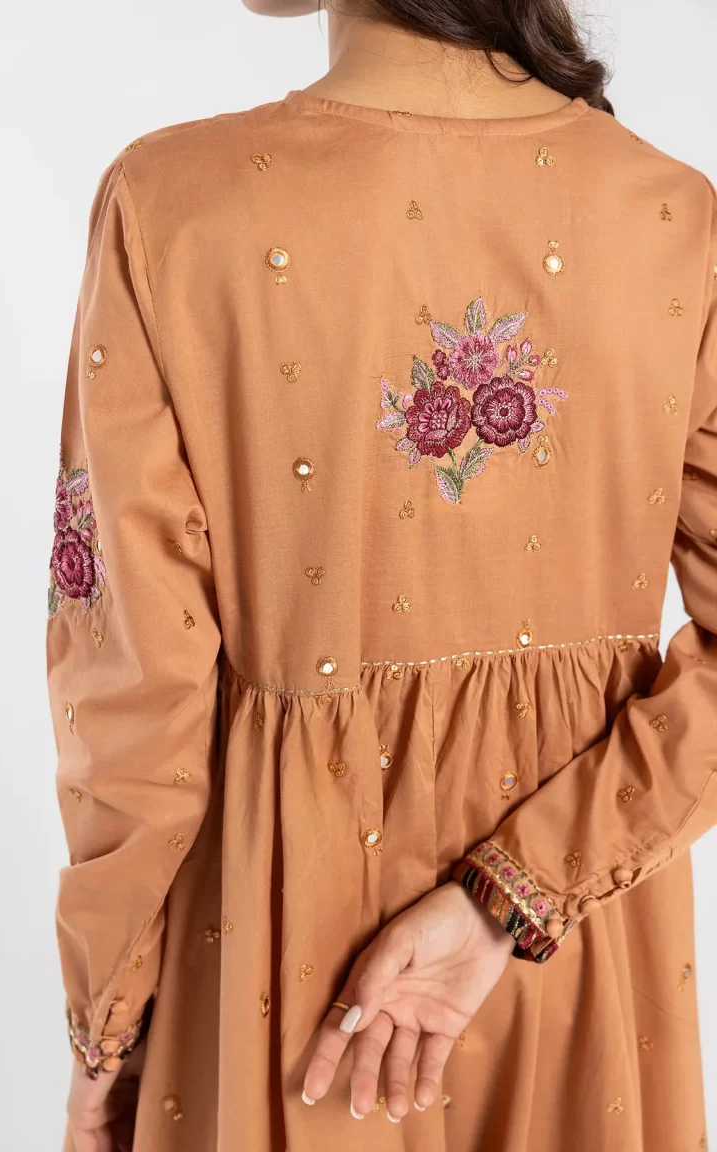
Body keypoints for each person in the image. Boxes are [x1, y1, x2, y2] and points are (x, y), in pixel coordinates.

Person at [48, 1, 717, 1149]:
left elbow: (132, 704)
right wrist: (515, 893)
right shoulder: (672, 216)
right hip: (574, 965)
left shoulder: (175, 204)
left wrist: (106, 1031)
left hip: (282, 973)